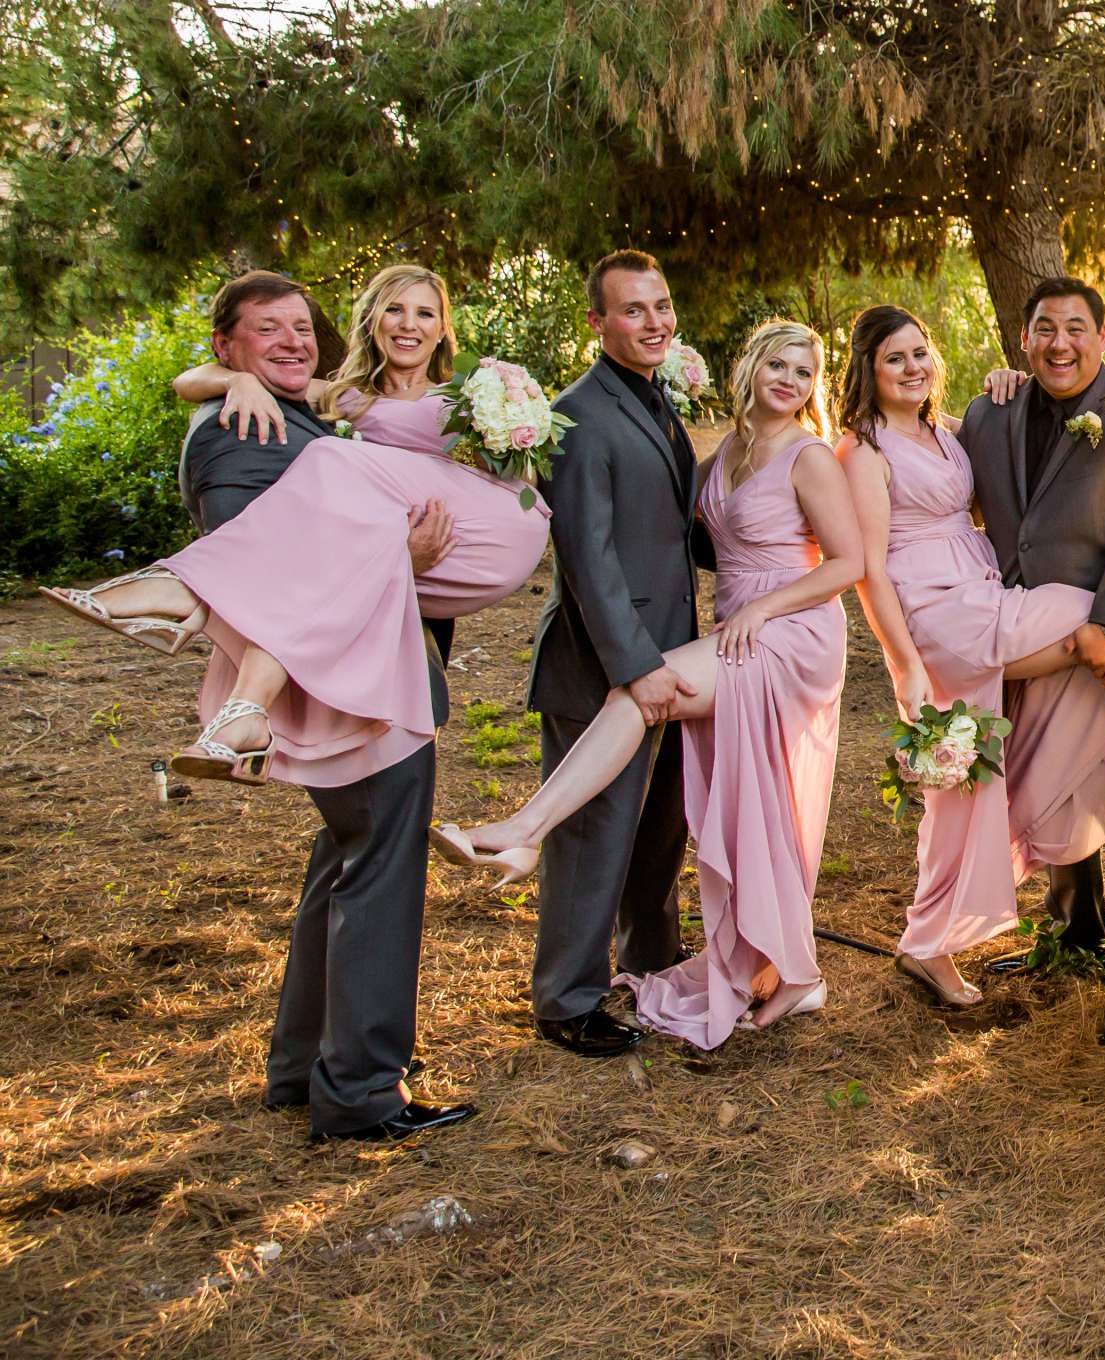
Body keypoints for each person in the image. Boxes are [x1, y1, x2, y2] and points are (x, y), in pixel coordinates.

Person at [442, 322, 860, 1048]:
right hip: (735, 625)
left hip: (789, 631)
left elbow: (848, 563)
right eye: (779, 363)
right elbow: (676, 535)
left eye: (806, 370)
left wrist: (763, 606)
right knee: (752, 803)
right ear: (752, 367)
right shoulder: (723, 451)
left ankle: (524, 832)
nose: (791, 379)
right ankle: (793, 972)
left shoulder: (809, 454)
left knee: (639, 692)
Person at [41, 263, 551, 785]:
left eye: (425, 313)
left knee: (330, 459)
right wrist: (238, 378)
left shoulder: (468, 395)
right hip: (410, 557)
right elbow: (187, 381)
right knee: (311, 573)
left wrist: (509, 424)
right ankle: (246, 713)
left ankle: (185, 590)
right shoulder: (347, 397)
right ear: (372, 319)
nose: (408, 324)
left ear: (443, 328)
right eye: (395, 309)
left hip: (489, 528)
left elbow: (523, 473)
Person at [173, 270, 471, 1141]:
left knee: (343, 864)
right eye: (270, 330)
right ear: (228, 346)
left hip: (361, 672)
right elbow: (257, 566)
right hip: (347, 688)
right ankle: (361, 1093)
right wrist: (403, 558)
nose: (296, 341)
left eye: (303, 327)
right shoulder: (242, 429)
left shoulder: (289, 412)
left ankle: (301, 1068)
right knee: (381, 867)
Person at [836, 304, 1105, 1009]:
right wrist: (904, 669)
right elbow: (869, 570)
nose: (912, 368)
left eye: (919, 353)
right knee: (1101, 615)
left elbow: (1005, 446)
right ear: (868, 371)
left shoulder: (943, 432)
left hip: (978, 592)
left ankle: (926, 945)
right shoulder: (862, 449)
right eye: (894, 358)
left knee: (959, 785)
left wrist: (1011, 382)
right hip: (943, 617)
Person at [955, 277, 1105, 1046]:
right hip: (1024, 634)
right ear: (1022, 340)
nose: (1060, 343)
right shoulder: (988, 412)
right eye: (1045, 328)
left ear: (1101, 334)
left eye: (1076, 328)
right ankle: (1072, 930)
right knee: (1051, 777)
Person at [519, 249, 714, 1058]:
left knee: (661, 827)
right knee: (594, 830)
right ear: (596, 323)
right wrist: (635, 666)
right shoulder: (580, 415)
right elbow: (587, 557)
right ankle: (566, 997)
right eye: (633, 310)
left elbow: (676, 525)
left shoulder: (658, 397)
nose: (654, 322)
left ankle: (648, 958)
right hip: (606, 661)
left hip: (678, 647)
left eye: (661, 306)